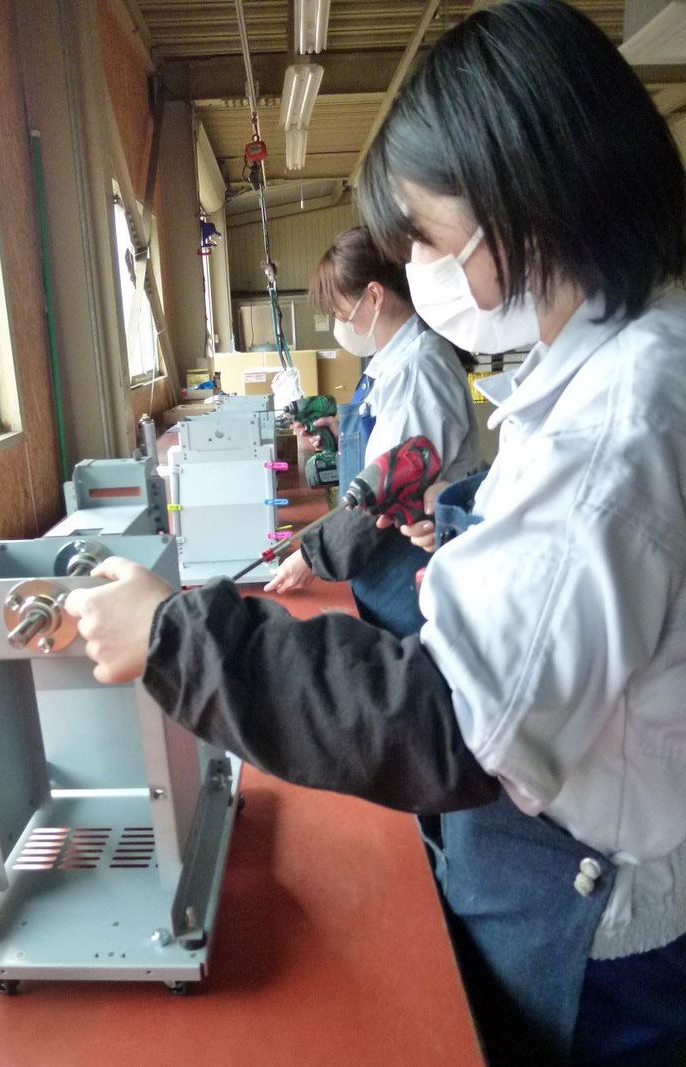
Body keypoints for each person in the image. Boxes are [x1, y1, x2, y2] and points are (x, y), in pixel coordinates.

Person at [66, 2, 686, 1062]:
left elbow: (447, 722)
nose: (423, 270)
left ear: (523, 205)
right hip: (557, 821)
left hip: (591, 919)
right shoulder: (612, 362)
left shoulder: (618, 418)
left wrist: (178, 636)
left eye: (432, 238)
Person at [264, 225, 479, 638]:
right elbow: (386, 449)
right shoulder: (391, 362)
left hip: (409, 578)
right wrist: (340, 432)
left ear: (375, 296)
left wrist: (311, 557)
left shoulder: (417, 370)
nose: (338, 322)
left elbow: (384, 494)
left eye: (339, 310)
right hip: (381, 573)